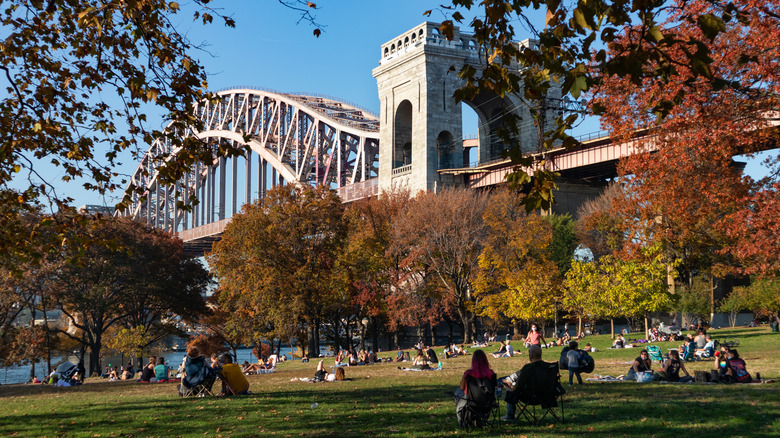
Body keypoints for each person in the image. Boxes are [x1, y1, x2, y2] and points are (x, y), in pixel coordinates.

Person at [500, 345, 549, 421]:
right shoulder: (548, 367)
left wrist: (511, 386)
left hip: (529, 397)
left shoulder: (528, 368)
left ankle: (510, 415)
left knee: (509, 387)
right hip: (547, 396)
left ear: (531, 355)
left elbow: (519, 386)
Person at [454, 350, 497, 425]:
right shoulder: (491, 373)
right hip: (488, 401)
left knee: (458, 392)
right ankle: (483, 418)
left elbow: (462, 388)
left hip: (471, 401)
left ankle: (462, 419)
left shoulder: (468, 374)